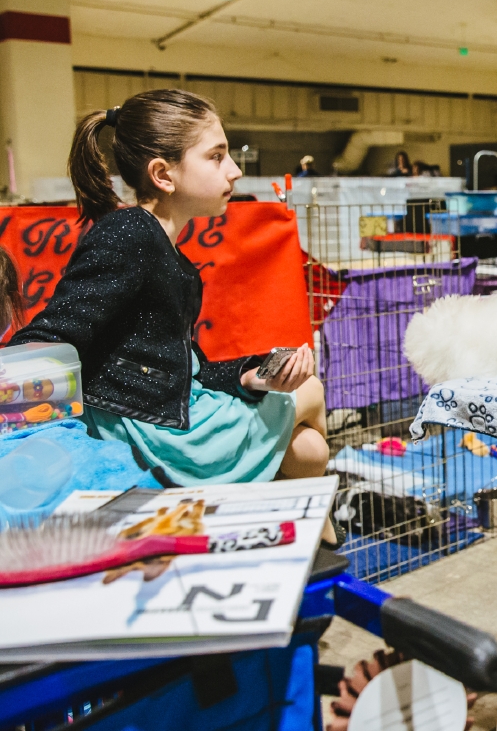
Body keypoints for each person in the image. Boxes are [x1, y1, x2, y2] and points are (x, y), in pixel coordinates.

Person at [9, 91, 331, 510]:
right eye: (216, 157)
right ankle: (321, 532)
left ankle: (311, 532)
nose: (233, 171)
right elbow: (51, 334)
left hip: (165, 415)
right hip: (152, 432)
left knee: (310, 452)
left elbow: (185, 369)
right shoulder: (129, 234)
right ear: (163, 174)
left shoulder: (162, 248)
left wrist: (251, 377)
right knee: (312, 389)